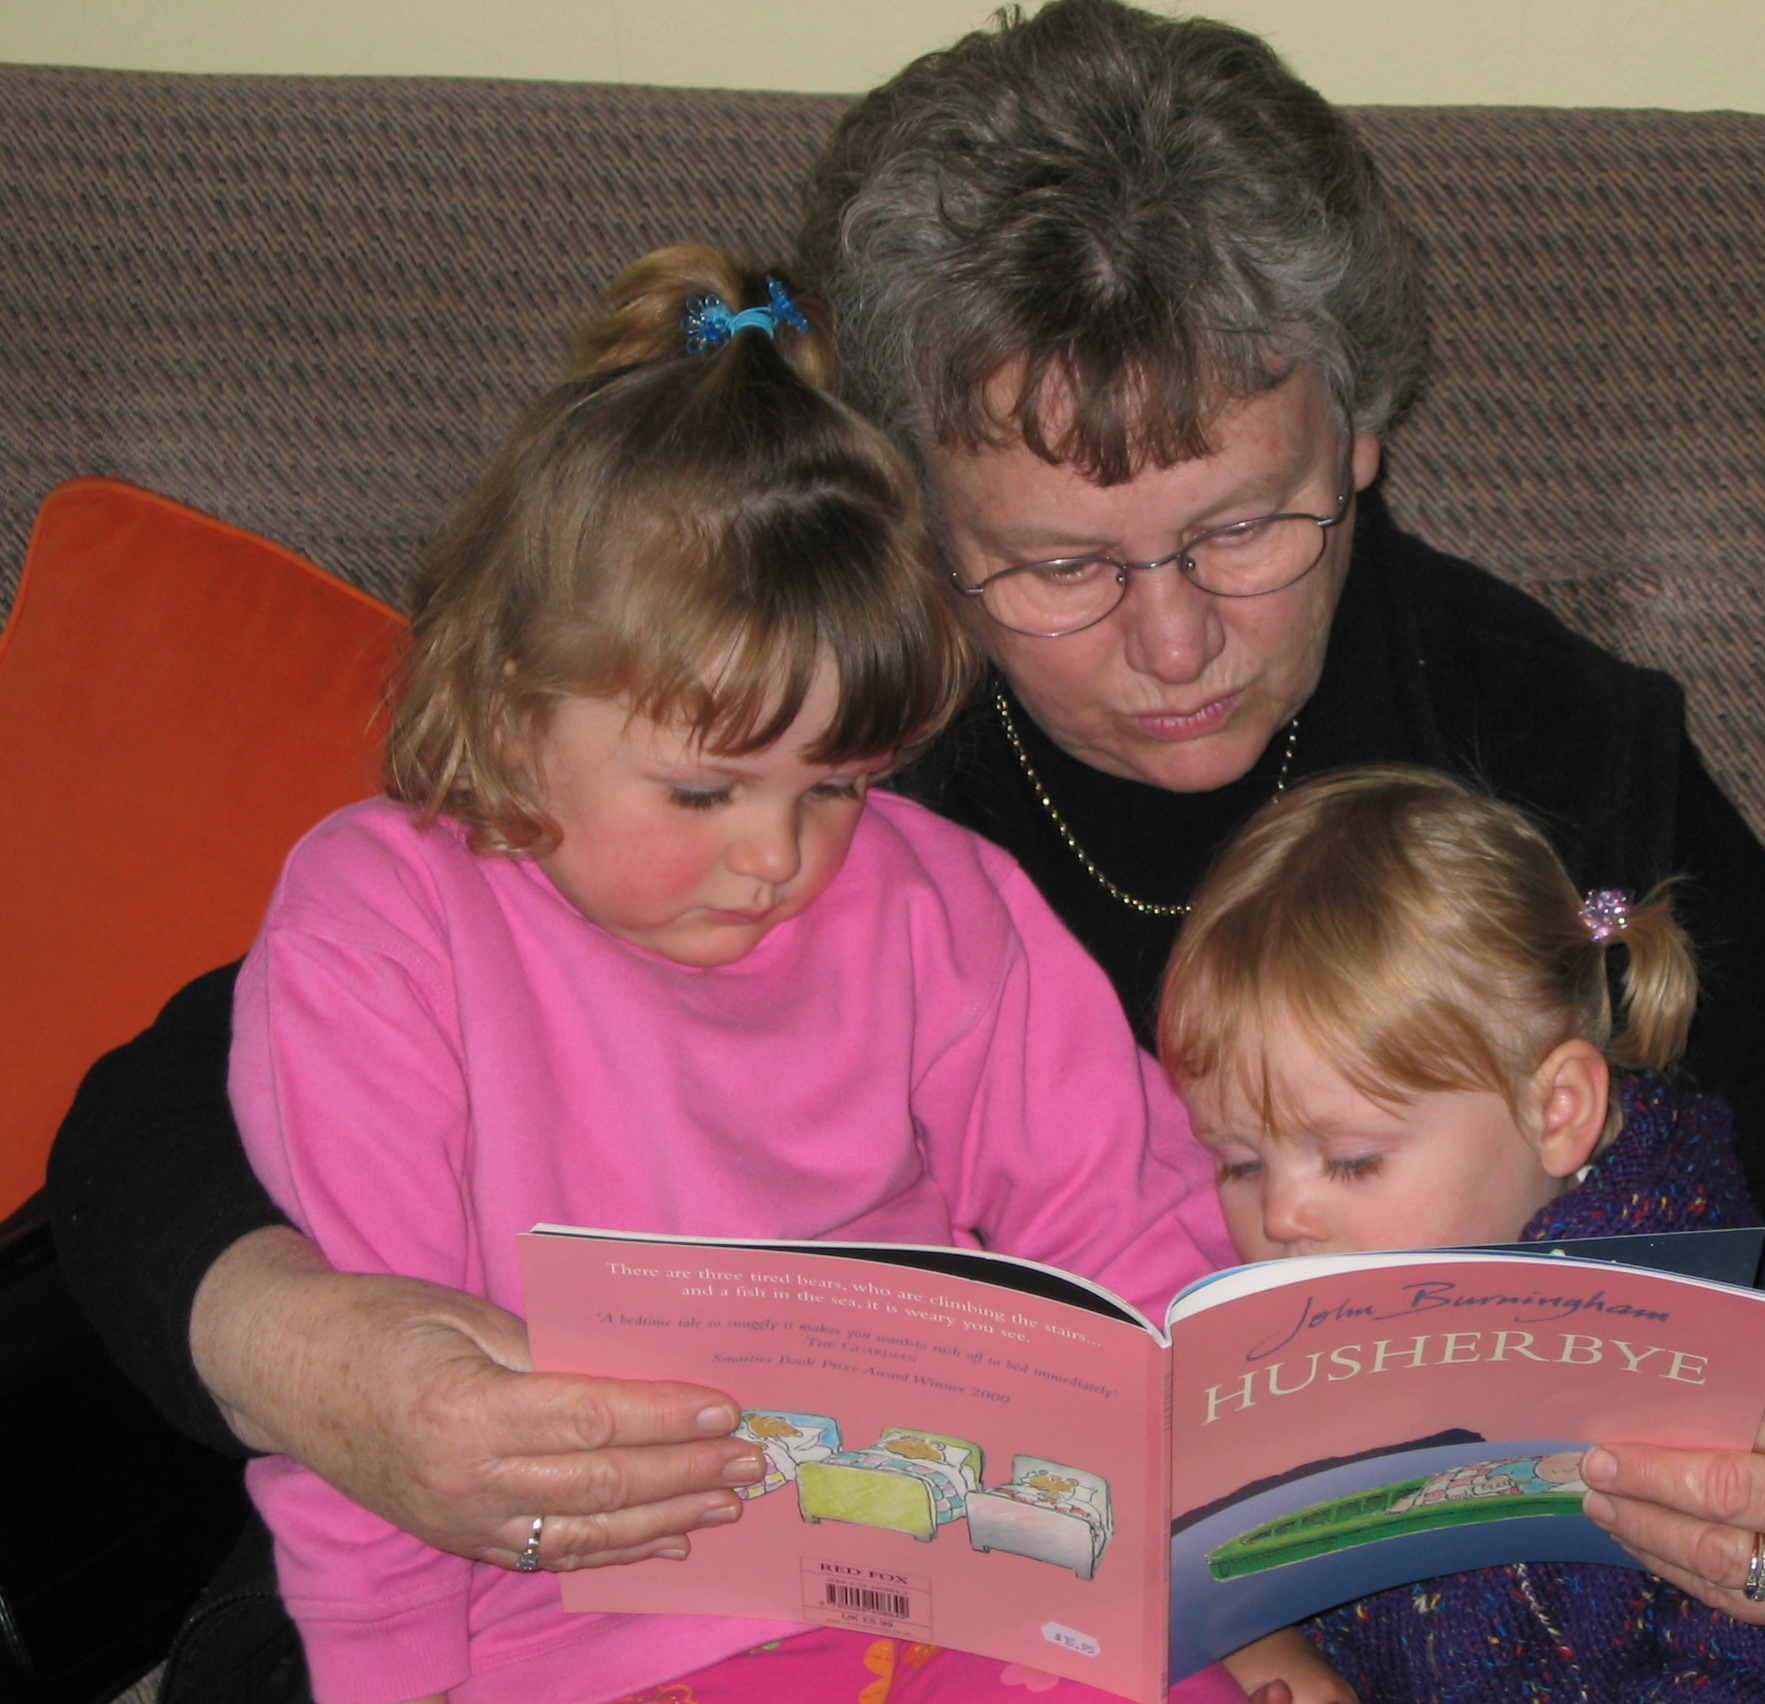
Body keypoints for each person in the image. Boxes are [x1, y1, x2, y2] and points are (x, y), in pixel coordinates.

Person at [49, 0, 1765, 1691]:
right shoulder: (823, 736)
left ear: (1360, 434)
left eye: (1246, 523)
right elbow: (170, 1109)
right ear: (912, 512)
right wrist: (327, 1362)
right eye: (1055, 563)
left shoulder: (1536, 744)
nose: (1173, 640)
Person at [222, 241, 1243, 1704]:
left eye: (836, 785)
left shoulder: (936, 898)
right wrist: (390, 1679)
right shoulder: (384, 925)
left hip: (969, 1582)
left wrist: (1213, 1507)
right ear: (514, 720)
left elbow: (1126, 1219)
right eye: (704, 793)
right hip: (588, 1638)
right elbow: (368, 1389)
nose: (777, 856)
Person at [1156, 767, 1765, 1704]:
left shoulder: (1691, 1329)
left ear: (1559, 1111)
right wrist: (1271, 1657)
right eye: (1240, 1164)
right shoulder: (1311, 1323)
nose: (1281, 1217)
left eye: (1350, 1160)